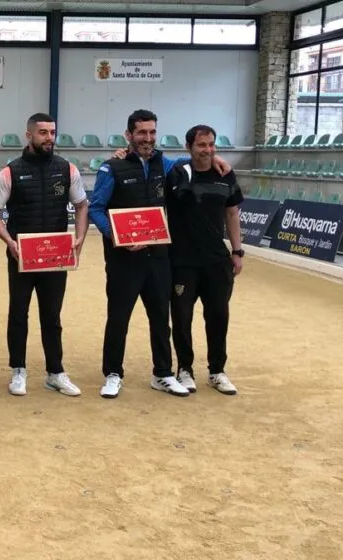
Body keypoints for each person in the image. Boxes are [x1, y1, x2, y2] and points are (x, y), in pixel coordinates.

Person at [88, 109, 230, 399]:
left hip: (159, 258)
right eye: (142, 132)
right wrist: (116, 237)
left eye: (152, 132)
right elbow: (95, 208)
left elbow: (191, 161)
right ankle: (113, 373)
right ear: (129, 135)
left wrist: (212, 157)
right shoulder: (111, 168)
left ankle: (162, 373)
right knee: (118, 318)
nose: (148, 138)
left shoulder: (165, 166)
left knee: (160, 319)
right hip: (123, 259)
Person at [0, 113, 90, 397]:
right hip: (22, 256)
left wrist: (79, 238)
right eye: (43, 133)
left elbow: (81, 205)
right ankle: (18, 370)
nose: (49, 138)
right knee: (18, 313)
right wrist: (9, 240)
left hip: (56, 257)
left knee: (52, 316)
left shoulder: (67, 169)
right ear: (29, 135)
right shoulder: (11, 171)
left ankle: (55, 372)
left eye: (52, 132)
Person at [166, 125, 242, 396]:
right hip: (182, 262)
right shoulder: (176, 173)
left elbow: (232, 214)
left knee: (219, 316)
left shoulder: (226, 174)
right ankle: (184, 369)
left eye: (211, 145)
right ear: (189, 147)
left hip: (217, 262)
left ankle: (217, 371)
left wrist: (237, 251)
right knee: (182, 318)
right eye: (201, 145)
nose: (207, 150)